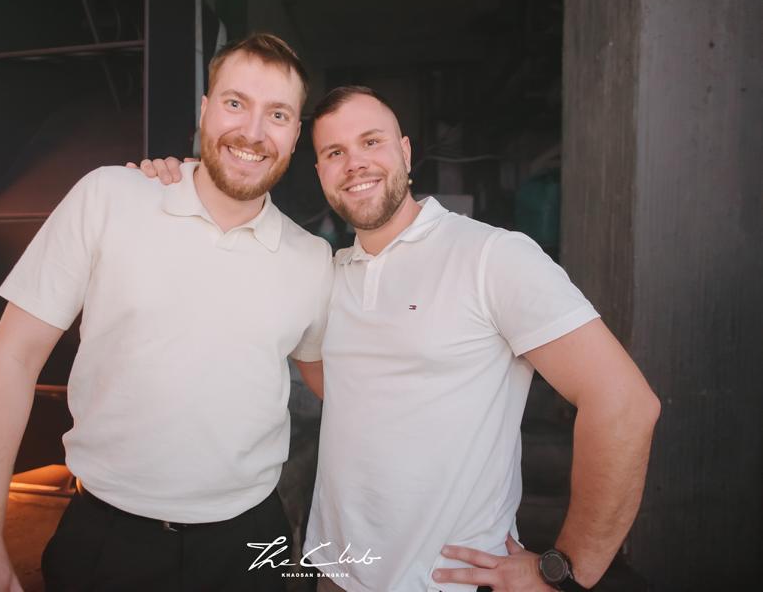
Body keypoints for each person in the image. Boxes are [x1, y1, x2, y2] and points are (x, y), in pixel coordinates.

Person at [142, 86, 661, 592]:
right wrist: (177, 183)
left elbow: (625, 405)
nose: (355, 163)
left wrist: (565, 569)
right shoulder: (326, 274)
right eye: (334, 152)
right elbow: (343, 390)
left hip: (449, 582)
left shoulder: (491, 256)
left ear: (405, 152)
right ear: (320, 172)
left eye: (371, 142)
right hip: (338, 573)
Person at [0, 33, 333, 592]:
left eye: (277, 114)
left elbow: (337, 384)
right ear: (204, 111)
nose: (253, 132)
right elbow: (12, 357)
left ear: (296, 134)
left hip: (250, 541)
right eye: (235, 103)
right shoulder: (109, 196)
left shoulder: (313, 258)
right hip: (107, 538)